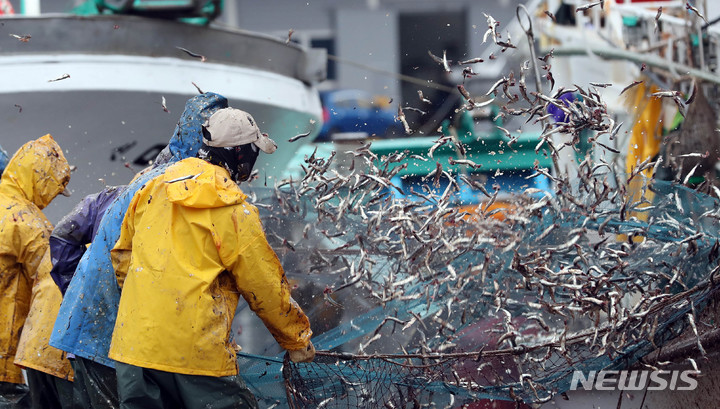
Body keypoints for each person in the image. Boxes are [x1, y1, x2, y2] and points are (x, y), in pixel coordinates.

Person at [110, 108, 314, 408]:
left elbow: (122, 255)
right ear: (241, 155)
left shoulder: (154, 187)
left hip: (134, 350)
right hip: (195, 354)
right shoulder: (233, 210)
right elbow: (264, 286)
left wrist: (148, 309)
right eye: (254, 151)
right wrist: (296, 339)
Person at [49, 92, 230, 409]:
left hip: (91, 326)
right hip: (108, 333)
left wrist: (75, 288)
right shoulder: (172, 187)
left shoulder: (136, 184)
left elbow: (64, 234)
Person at [0, 135, 72, 409]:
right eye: (54, 188)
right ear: (40, 178)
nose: (52, 197)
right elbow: (57, 285)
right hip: (5, 361)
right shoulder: (29, 223)